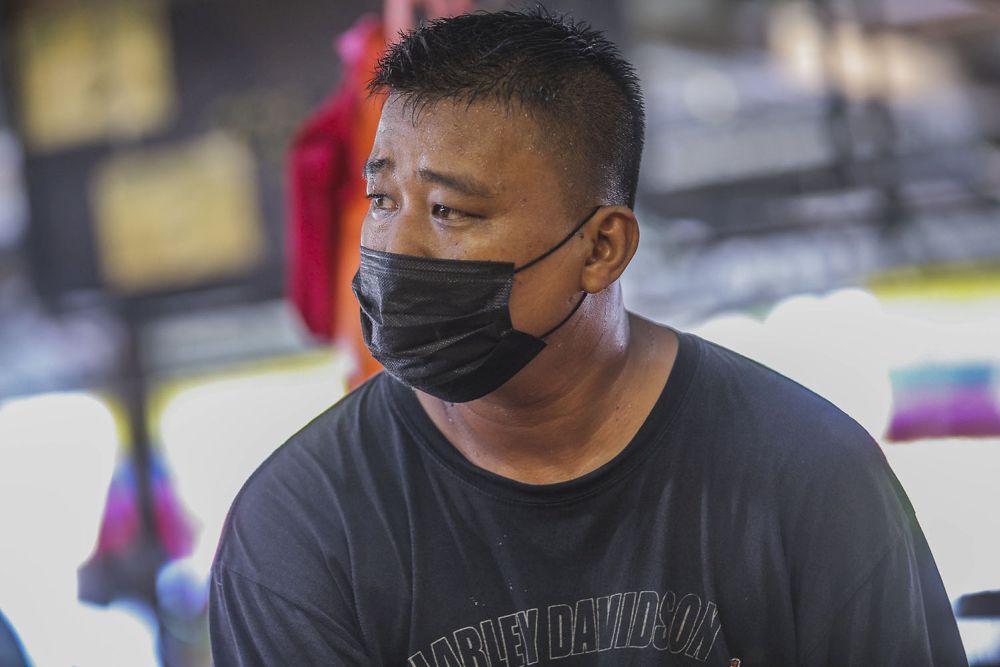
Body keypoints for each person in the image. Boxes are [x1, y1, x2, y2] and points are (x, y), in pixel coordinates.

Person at [209, 8, 969, 666]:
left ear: (602, 248)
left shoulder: (806, 476)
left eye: (450, 211)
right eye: (382, 198)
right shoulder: (302, 528)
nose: (396, 248)